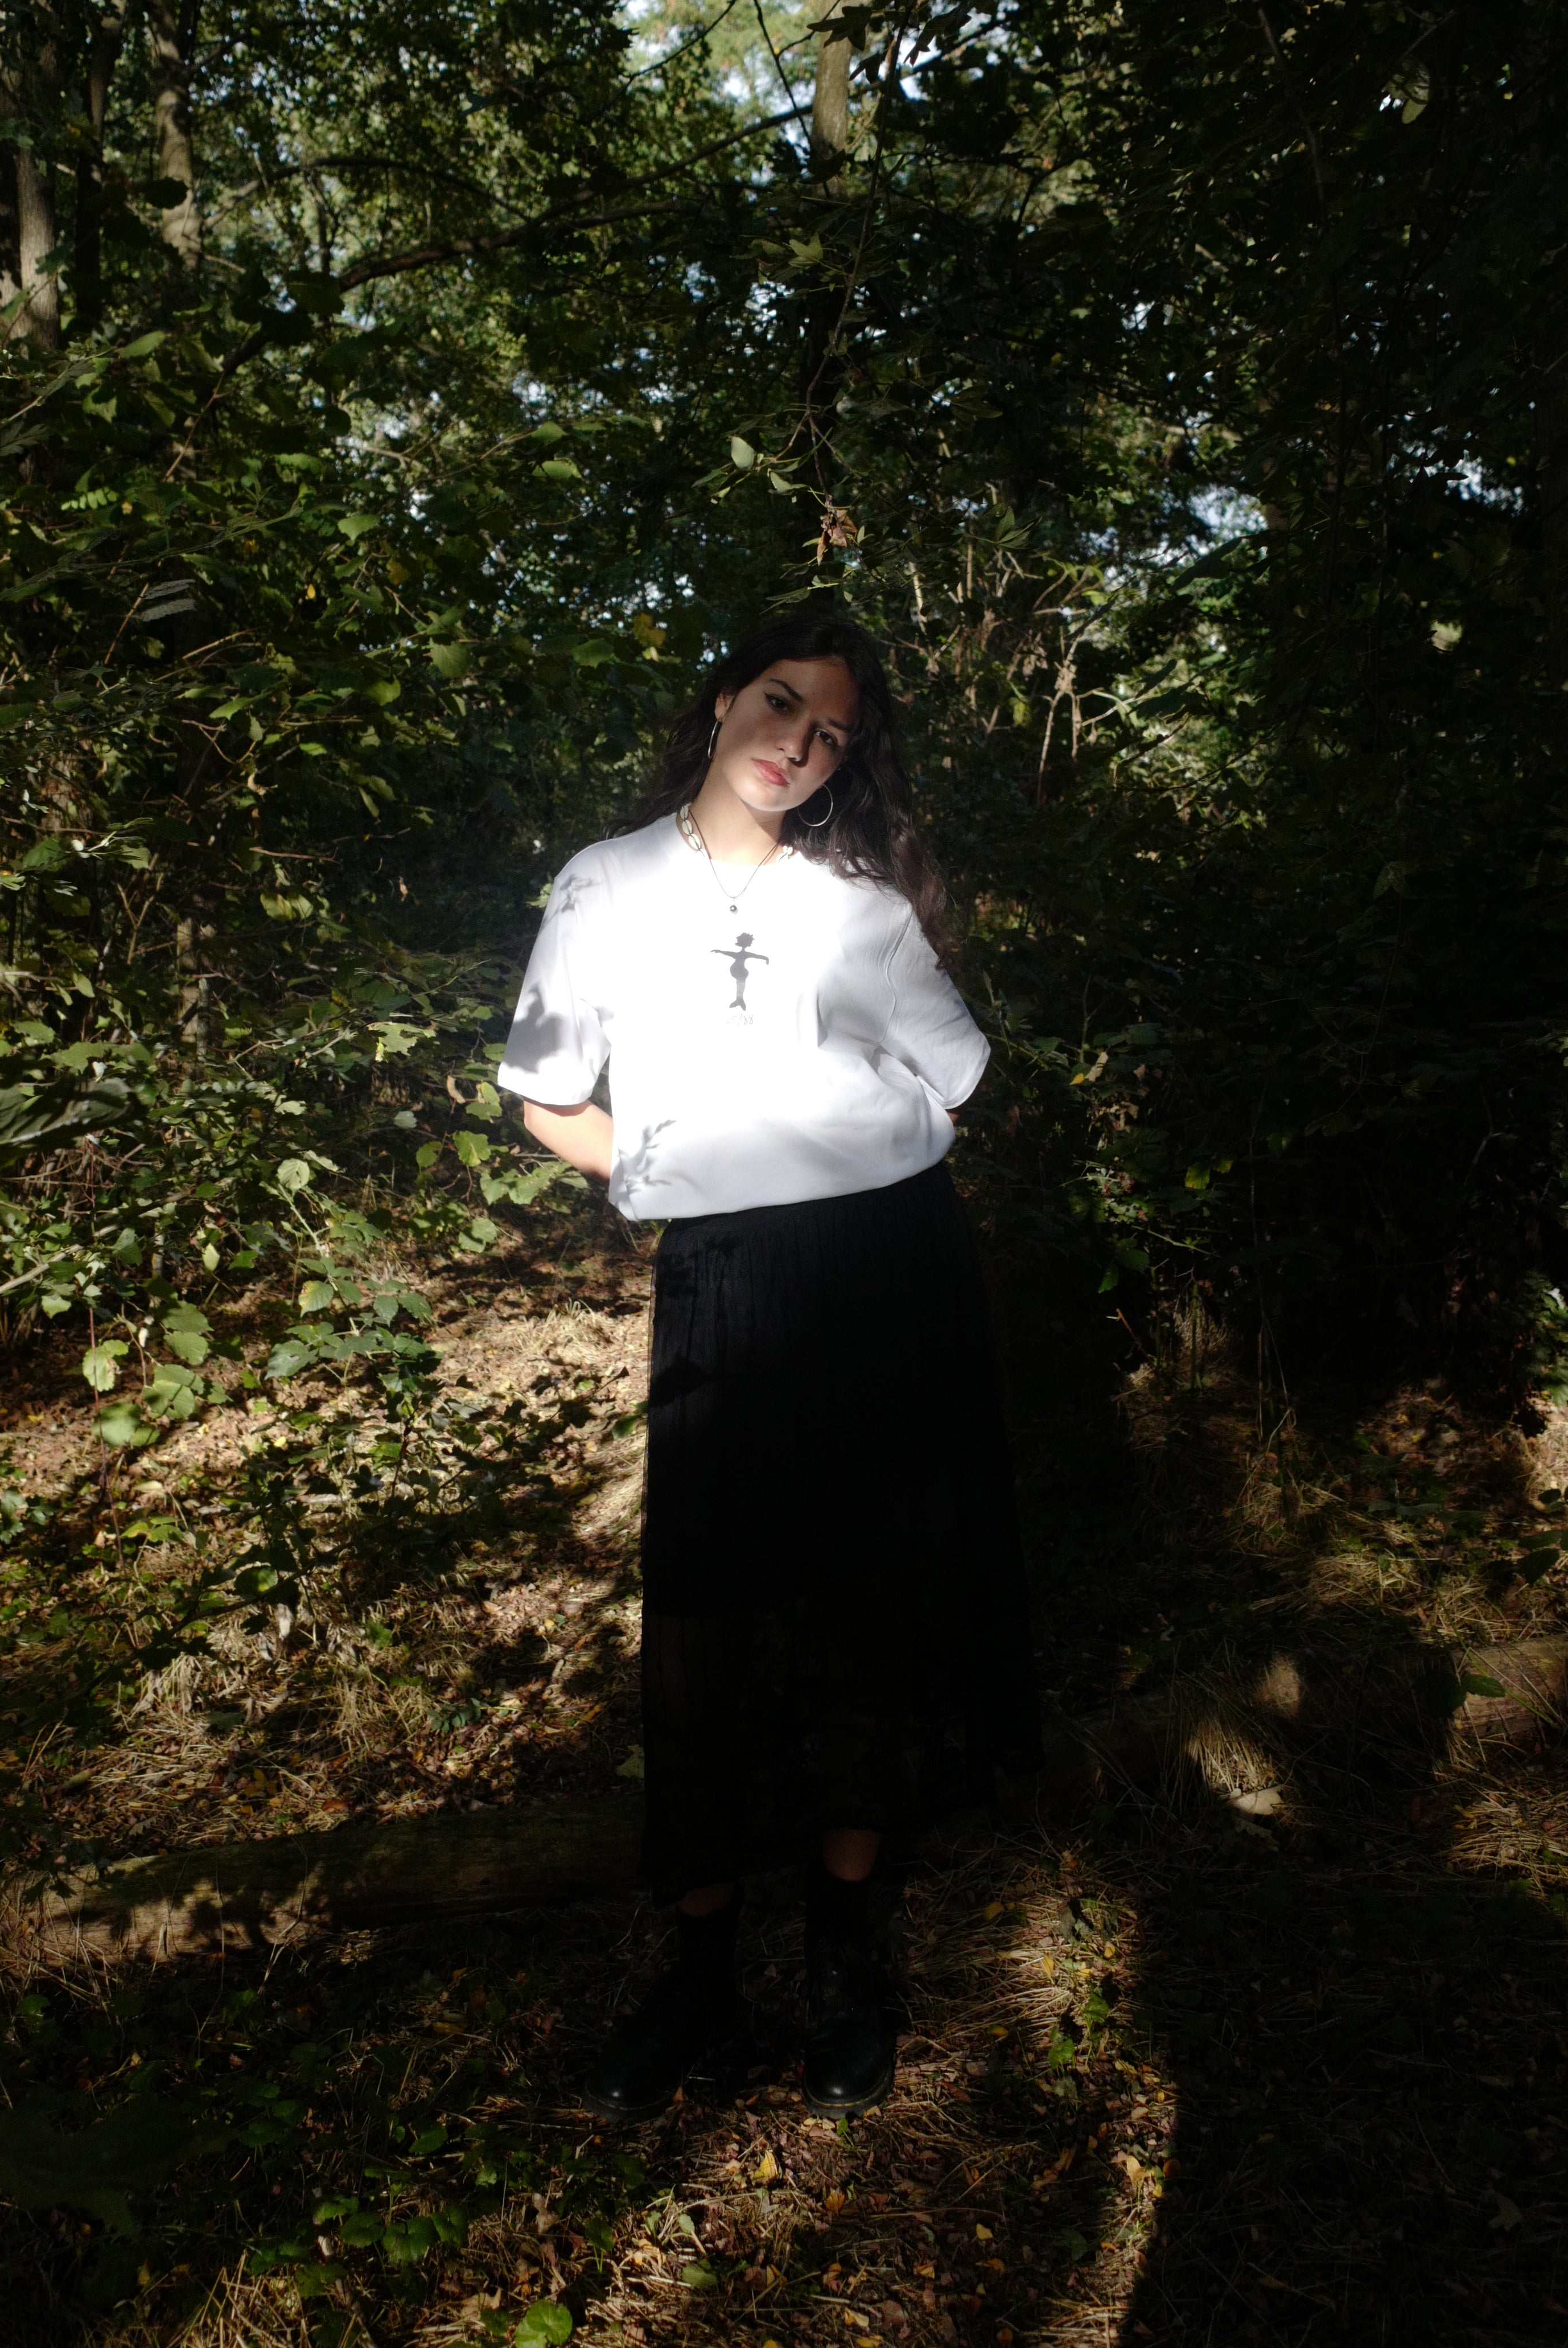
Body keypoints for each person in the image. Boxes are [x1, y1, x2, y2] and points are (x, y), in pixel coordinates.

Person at [499, 612, 1038, 2119]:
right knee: (717, 1615)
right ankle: (697, 1980)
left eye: (832, 734)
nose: (798, 744)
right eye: (783, 703)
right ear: (727, 697)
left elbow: (960, 1079)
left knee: (869, 1608)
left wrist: (850, 1146)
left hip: (889, 1273)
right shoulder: (605, 884)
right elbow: (547, 1098)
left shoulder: (859, 906)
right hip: (727, 1281)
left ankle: (844, 1965)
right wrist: (675, 1170)